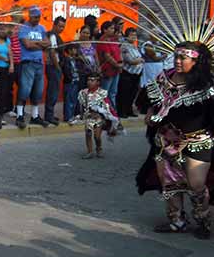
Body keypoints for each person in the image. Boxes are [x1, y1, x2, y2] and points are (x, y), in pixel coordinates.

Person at [137, 42, 213, 239]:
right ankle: (177, 220)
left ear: (196, 61)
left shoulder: (206, 86)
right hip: (166, 141)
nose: (178, 61)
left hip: (197, 141)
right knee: (168, 182)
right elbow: (148, 101)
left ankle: (203, 218)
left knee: (196, 184)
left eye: (183, 58)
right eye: (176, 57)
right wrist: (151, 113)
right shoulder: (164, 78)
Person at [16, 6, 50, 129]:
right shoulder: (24, 28)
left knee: (38, 90)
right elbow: (27, 45)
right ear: (30, 16)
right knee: (25, 90)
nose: (37, 19)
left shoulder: (41, 28)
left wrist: (35, 44)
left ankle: (35, 116)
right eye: (35, 17)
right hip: (28, 62)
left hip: (39, 63)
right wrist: (41, 45)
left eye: (39, 17)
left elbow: (48, 43)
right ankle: (19, 115)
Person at [77, 71, 119, 159]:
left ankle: (99, 148)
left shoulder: (102, 93)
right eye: (88, 80)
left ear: (98, 82)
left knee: (97, 136)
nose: (89, 82)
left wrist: (109, 116)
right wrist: (81, 115)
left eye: (92, 80)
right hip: (88, 116)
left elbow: (107, 106)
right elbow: (82, 105)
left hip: (99, 118)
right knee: (88, 133)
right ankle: (89, 151)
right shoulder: (83, 93)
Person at [117, 27, 143, 118]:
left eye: (135, 35)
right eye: (131, 35)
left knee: (132, 93)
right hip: (127, 73)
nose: (134, 37)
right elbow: (130, 60)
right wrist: (140, 60)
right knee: (125, 93)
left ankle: (129, 110)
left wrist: (139, 60)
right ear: (127, 36)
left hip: (136, 74)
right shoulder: (124, 46)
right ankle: (122, 111)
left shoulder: (134, 46)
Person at [44, 16, 66, 126]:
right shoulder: (52, 36)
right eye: (60, 26)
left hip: (54, 66)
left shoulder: (55, 36)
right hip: (53, 66)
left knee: (54, 91)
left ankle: (50, 114)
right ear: (54, 25)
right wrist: (58, 67)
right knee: (52, 91)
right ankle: (48, 116)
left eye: (63, 27)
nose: (62, 28)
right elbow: (52, 53)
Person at [96, 20, 122, 108]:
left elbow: (118, 52)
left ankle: (112, 112)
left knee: (113, 93)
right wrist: (117, 65)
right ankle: (105, 113)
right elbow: (107, 56)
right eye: (111, 28)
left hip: (115, 70)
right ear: (104, 30)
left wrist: (120, 64)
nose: (113, 30)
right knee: (105, 93)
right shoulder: (103, 41)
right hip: (108, 70)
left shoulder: (112, 40)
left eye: (113, 28)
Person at [62, 44, 81, 124]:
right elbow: (66, 70)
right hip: (70, 82)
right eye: (74, 49)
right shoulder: (66, 60)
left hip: (75, 81)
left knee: (74, 99)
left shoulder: (74, 60)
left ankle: (72, 115)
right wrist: (70, 78)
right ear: (69, 50)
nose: (75, 51)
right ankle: (68, 117)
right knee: (68, 100)